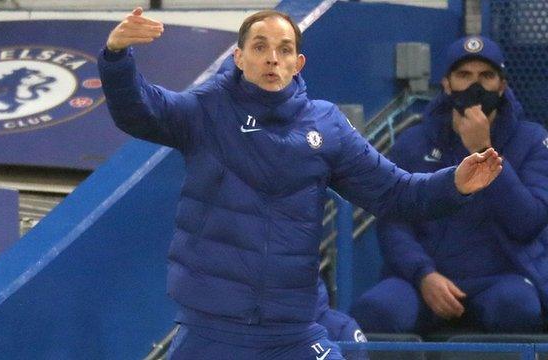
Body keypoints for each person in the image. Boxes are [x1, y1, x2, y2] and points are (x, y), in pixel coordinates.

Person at [98, 7, 503, 358]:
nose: (272, 59)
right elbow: (139, 109)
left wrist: (455, 183)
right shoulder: (206, 109)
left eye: (284, 49)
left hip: (291, 330)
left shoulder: (326, 125)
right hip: (212, 330)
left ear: (298, 63)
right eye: (259, 47)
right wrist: (117, 56)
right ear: (239, 58)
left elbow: (396, 194)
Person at [350, 35, 548, 335]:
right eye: (464, 75)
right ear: (446, 84)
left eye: (487, 76)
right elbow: (393, 224)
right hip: (424, 280)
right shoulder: (414, 143)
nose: (475, 86)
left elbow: (528, 222)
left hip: (501, 277)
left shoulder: (532, 140)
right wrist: (424, 275)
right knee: (377, 310)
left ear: (502, 86)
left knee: (518, 306)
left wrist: (483, 149)